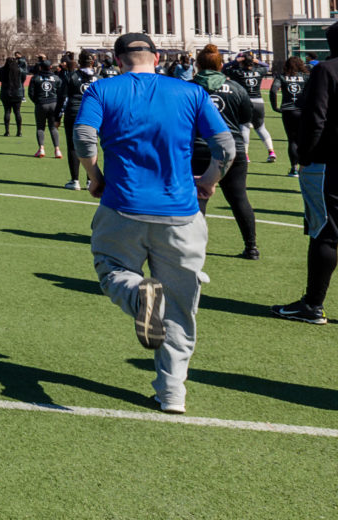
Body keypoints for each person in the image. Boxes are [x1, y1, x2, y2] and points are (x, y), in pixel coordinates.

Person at [75, 32, 232, 414]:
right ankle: (172, 393)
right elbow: (226, 147)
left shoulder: (102, 90)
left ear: (116, 60)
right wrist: (208, 181)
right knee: (180, 308)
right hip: (180, 212)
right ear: (157, 57)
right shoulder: (190, 92)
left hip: (123, 206)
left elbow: (83, 135)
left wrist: (94, 175)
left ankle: (136, 295)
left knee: (111, 269)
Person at [272, 21, 338, 324]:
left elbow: (316, 119)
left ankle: (312, 304)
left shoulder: (326, 70)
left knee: (325, 231)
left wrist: (305, 156)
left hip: (328, 163)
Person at [191, 45, 258, 259]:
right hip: (233, 150)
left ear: (198, 65)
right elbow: (245, 118)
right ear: (221, 65)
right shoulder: (236, 88)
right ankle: (252, 247)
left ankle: (195, 248)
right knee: (239, 198)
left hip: (200, 149)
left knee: (198, 198)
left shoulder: (188, 88)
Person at [227, 52, 275, 163]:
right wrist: (257, 61)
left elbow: (224, 68)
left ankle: (246, 155)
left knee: (244, 128)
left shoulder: (238, 72)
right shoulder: (259, 71)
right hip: (259, 101)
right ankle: (271, 151)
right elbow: (267, 66)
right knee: (261, 127)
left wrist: (236, 61)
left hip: (245, 102)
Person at [59, 51, 97, 189]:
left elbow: (63, 97)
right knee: (91, 144)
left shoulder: (72, 76)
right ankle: (91, 179)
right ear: (92, 62)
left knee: (72, 146)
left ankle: (75, 180)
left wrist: (57, 117)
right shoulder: (97, 78)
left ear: (79, 62)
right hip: (93, 115)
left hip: (73, 113)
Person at [270, 56, 309, 176]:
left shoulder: (282, 76)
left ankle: (294, 168)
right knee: (304, 139)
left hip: (288, 111)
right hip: (303, 110)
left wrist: (275, 107)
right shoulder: (306, 76)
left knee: (292, 140)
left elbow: (273, 90)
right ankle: (305, 167)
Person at [29, 59, 65, 158]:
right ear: (50, 67)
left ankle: (41, 149)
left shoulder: (35, 78)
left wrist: (37, 102)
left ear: (40, 67)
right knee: (53, 127)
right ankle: (57, 150)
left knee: (40, 127)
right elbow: (61, 93)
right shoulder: (56, 78)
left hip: (41, 104)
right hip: (53, 104)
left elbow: (31, 93)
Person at [0, 56, 25, 137]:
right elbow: (23, 79)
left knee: (7, 112)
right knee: (17, 112)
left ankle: (7, 131)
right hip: (17, 93)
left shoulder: (2, 70)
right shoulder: (19, 70)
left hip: (6, 93)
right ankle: (19, 132)